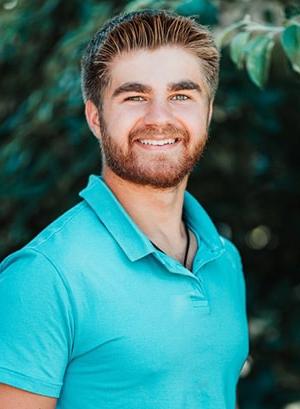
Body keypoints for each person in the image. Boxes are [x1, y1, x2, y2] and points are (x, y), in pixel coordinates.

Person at [0, 9, 249, 409]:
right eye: (135, 97)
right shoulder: (44, 275)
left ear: (207, 112)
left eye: (181, 96)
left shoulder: (224, 260)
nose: (159, 118)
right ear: (96, 118)